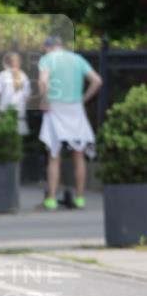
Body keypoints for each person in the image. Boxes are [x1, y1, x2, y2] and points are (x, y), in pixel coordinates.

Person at [38, 35, 102, 210]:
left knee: (54, 154)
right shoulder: (77, 59)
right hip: (75, 108)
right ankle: (80, 197)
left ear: (48, 47)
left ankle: (51, 199)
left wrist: (44, 100)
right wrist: (83, 98)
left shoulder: (47, 59)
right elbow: (97, 81)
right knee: (78, 154)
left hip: (55, 107)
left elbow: (43, 81)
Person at [0, 52, 31, 135]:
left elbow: (27, 95)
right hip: (11, 112)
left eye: (16, 61)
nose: (15, 63)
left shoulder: (22, 76)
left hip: (13, 112)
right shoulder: (3, 75)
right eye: (14, 61)